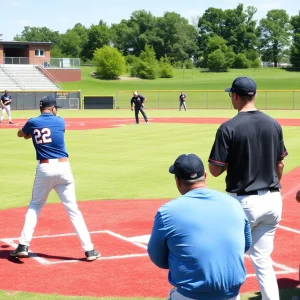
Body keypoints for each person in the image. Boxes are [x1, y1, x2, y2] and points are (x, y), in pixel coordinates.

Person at [208, 77, 288, 300]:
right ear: (254, 95)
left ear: (235, 96)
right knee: (263, 261)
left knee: (229, 257)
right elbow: (280, 163)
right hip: (273, 200)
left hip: (243, 203)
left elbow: (215, 170)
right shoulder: (273, 123)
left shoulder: (228, 127)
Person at [148, 153, 251, 300]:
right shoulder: (233, 203)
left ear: (177, 181)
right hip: (232, 294)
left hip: (190, 294)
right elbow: (245, 245)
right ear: (205, 175)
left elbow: (157, 257)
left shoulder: (168, 211)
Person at [10, 96, 100, 262]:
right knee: (73, 210)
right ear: (52, 109)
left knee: (35, 205)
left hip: (44, 168)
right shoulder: (60, 121)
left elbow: (21, 134)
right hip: (64, 167)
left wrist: (28, 134)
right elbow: (51, 133)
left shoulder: (33, 121)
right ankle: (89, 249)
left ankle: (23, 245)